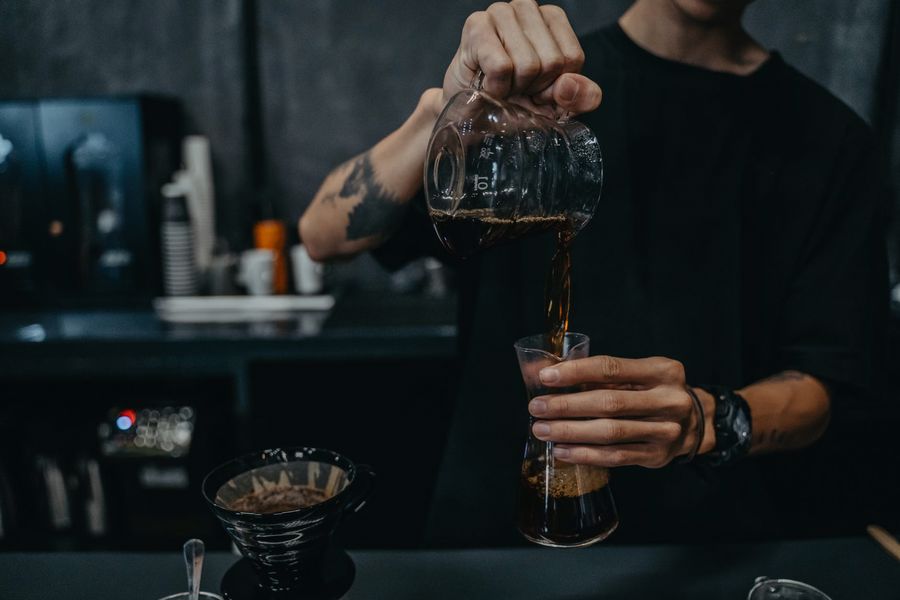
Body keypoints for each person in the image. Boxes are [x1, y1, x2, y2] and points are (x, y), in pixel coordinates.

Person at [299, 0, 887, 545]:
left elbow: (829, 383)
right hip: (494, 544)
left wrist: (707, 419)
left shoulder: (829, 140)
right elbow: (323, 235)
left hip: (708, 544)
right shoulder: (528, 93)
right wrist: (444, 109)